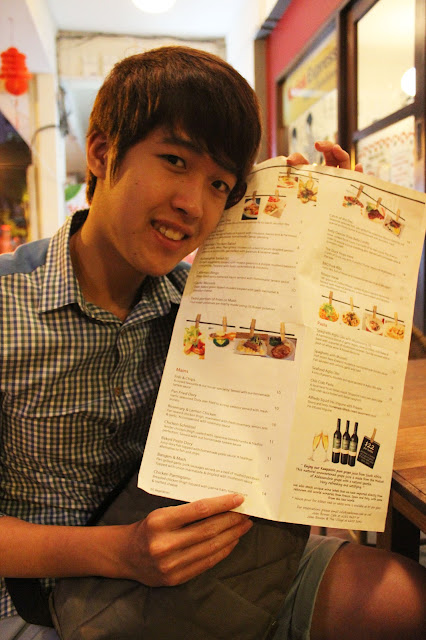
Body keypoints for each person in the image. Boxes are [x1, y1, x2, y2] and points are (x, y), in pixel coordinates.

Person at [0, 46, 424, 640]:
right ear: (101, 152)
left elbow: (310, 374)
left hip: (216, 566)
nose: (193, 204)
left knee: (405, 598)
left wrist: (328, 229)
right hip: (49, 594)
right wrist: (122, 553)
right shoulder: (9, 306)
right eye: (175, 160)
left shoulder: (200, 301)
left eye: (219, 183)